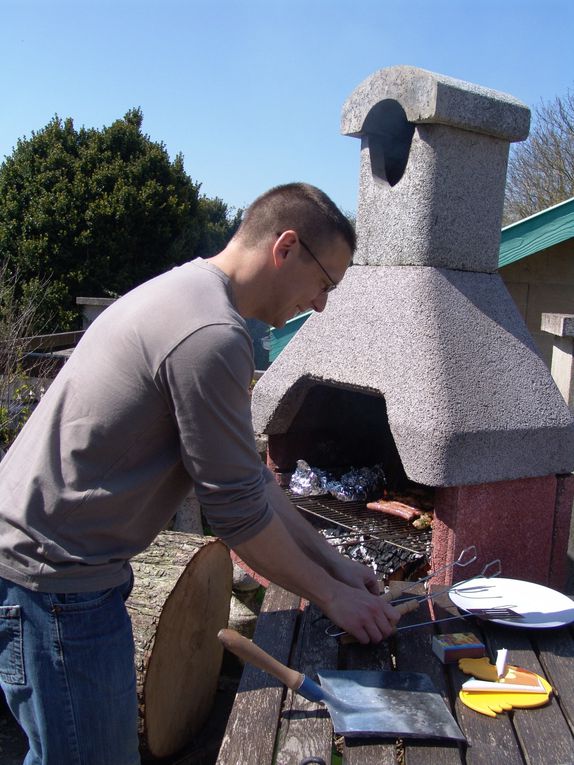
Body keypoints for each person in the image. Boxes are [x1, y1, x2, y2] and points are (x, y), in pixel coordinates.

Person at [0, 182, 399, 765]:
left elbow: (253, 484)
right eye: (325, 282)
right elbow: (238, 517)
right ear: (285, 246)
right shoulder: (211, 335)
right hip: (51, 583)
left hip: (52, 570)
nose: (320, 304)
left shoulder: (191, 294)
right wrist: (333, 599)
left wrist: (336, 566)